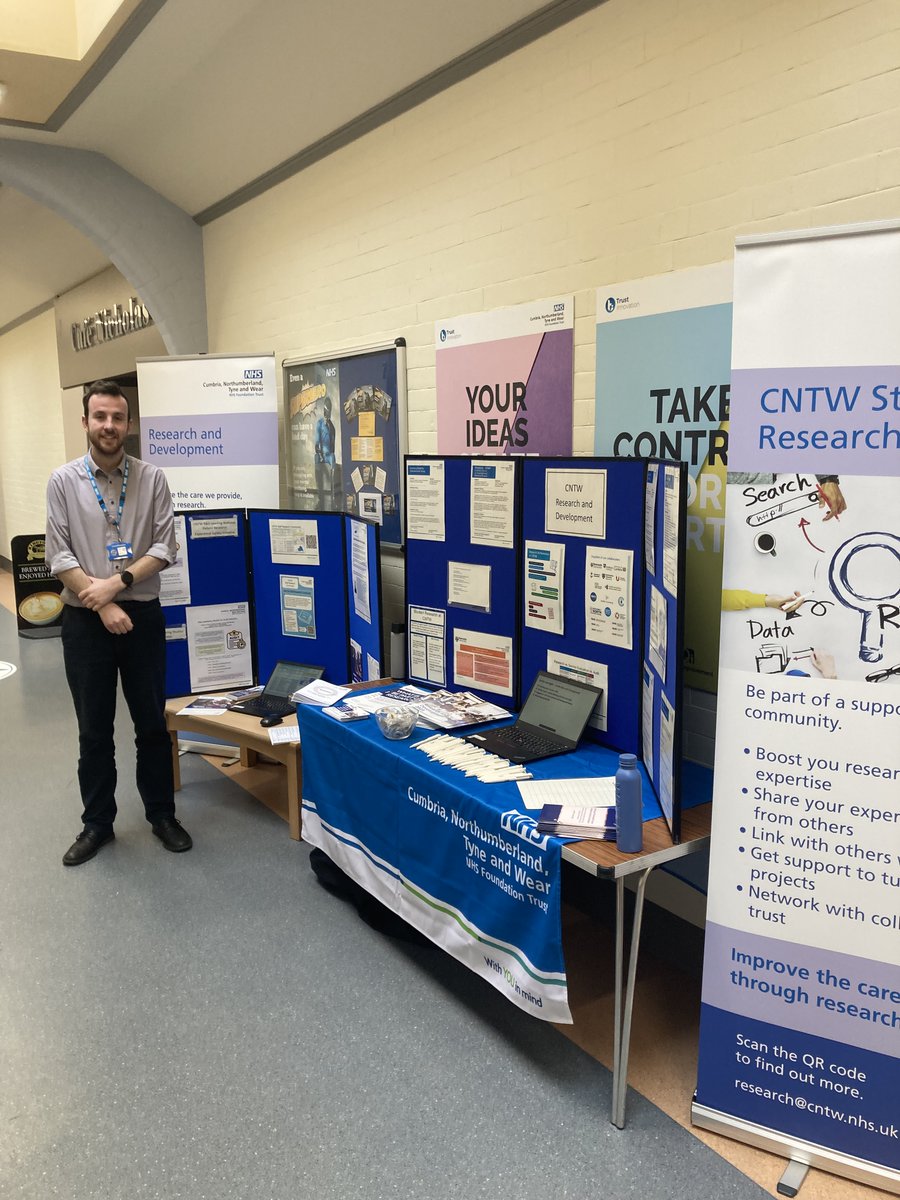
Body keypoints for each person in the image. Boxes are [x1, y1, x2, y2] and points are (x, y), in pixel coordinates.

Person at [45, 380, 192, 865]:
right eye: (100, 416)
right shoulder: (63, 481)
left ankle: (161, 814)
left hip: (144, 617)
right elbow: (58, 554)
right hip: (85, 623)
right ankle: (97, 824)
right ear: (85, 421)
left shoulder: (153, 479)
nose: (109, 426)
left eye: (117, 418)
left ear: (129, 425)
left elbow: (164, 547)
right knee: (94, 730)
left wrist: (118, 584)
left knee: (152, 724)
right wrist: (102, 601)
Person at [314, 395, 336, 509]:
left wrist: (331, 457)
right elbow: (317, 441)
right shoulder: (319, 424)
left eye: (329, 409)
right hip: (320, 454)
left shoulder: (332, 427)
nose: (328, 411)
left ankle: (333, 497)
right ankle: (320, 498)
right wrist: (320, 453)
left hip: (329, 455)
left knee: (333, 459)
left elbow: (333, 446)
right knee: (316, 458)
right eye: (326, 409)